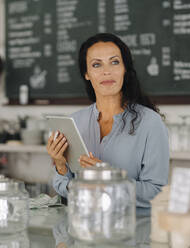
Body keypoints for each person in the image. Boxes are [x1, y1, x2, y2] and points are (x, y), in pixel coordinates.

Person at [46, 33, 169, 215]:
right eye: (97, 64)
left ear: (125, 68)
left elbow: (157, 193)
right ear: (86, 74)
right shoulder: (75, 121)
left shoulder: (151, 123)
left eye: (114, 62)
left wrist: (109, 180)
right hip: (85, 230)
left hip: (132, 232)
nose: (107, 71)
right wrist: (61, 166)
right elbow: (65, 188)